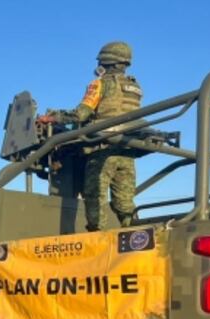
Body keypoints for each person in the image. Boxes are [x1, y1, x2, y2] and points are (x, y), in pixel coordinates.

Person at [38, 41, 143, 231]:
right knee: (125, 201)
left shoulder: (99, 84)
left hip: (102, 149)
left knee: (95, 196)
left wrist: (52, 118)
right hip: (126, 149)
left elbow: (81, 114)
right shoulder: (135, 88)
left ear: (105, 62)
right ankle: (136, 234)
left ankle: (96, 237)